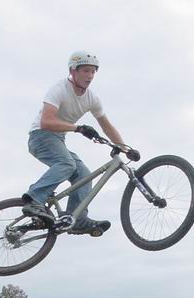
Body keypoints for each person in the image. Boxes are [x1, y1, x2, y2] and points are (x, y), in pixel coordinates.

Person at [22, 50, 127, 236]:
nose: (90, 76)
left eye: (93, 71)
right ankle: (34, 199)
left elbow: (107, 126)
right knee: (66, 164)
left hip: (58, 139)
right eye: (85, 71)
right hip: (40, 136)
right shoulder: (59, 89)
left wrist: (126, 148)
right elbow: (46, 121)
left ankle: (76, 219)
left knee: (84, 174)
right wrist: (77, 128)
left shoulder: (91, 99)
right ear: (73, 71)